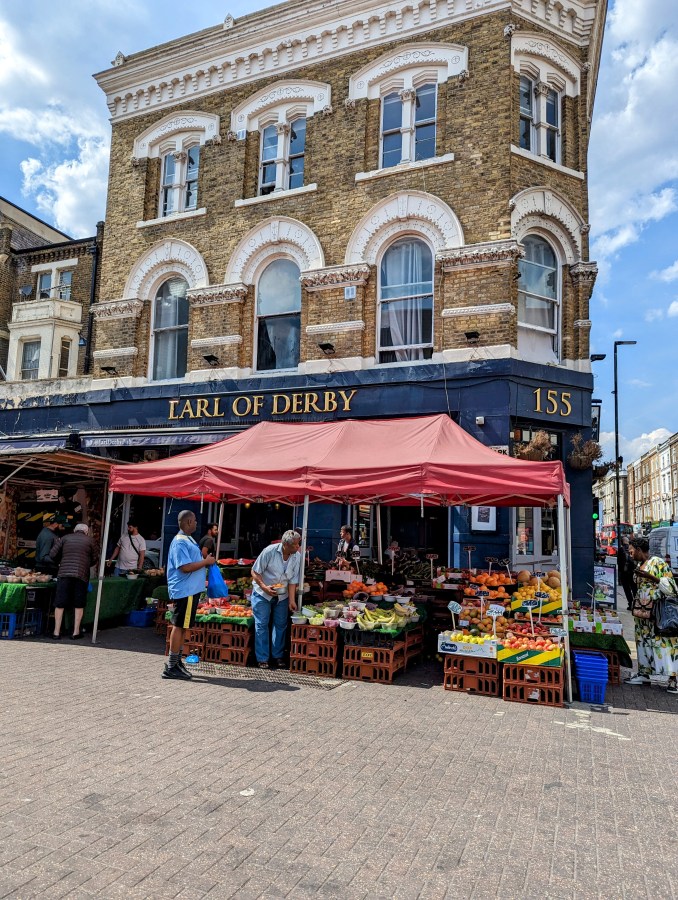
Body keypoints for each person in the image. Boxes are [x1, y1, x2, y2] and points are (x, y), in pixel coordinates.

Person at [163, 510, 215, 681]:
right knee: (179, 625)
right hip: (185, 590)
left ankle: (176, 661)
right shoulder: (180, 542)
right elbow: (184, 567)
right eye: (193, 521)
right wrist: (206, 562)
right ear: (187, 522)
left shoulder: (188, 539)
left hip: (190, 590)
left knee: (183, 626)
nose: (196, 524)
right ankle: (172, 665)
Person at [625, 536, 678, 694]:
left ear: (640, 550)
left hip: (658, 615)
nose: (630, 554)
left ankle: (673, 680)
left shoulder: (658, 563)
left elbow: (672, 587)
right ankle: (644, 674)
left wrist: (650, 577)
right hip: (642, 616)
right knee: (643, 644)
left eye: (632, 551)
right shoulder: (639, 564)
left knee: (665, 644)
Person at [250, 529, 301, 669]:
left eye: (298, 544)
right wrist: (265, 587)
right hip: (262, 593)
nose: (298, 547)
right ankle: (262, 658)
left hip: (282, 595)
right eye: (296, 545)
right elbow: (254, 571)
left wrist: (292, 600)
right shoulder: (269, 551)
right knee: (262, 625)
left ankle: (277, 656)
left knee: (280, 625)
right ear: (286, 544)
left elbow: (293, 581)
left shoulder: (297, 556)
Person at [49, 523, 97, 640]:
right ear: (86, 532)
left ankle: (56, 632)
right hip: (81, 574)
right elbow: (95, 558)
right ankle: (75, 632)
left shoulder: (65, 538)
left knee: (60, 603)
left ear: (75, 530)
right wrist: (85, 564)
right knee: (79, 604)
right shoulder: (90, 541)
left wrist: (61, 561)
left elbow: (52, 554)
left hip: (64, 573)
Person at [618, 536, 635, 610]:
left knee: (627, 589)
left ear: (622, 542)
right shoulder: (632, 548)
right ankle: (637, 604)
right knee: (634, 588)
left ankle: (630, 603)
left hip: (624, 573)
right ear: (628, 542)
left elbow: (619, 562)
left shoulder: (620, 549)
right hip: (632, 572)